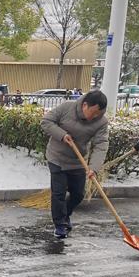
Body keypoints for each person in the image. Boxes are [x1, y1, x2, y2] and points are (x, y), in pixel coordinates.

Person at [41, 90, 110, 239]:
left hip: (78, 161)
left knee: (78, 194)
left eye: (98, 114)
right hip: (57, 157)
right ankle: (60, 224)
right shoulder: (67, 107)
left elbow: (101, 145)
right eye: (92, 112)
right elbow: (46, 121)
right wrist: (62, 135)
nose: (94, 117)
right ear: (85, 105)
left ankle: (65, 214)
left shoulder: (102, 122)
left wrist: (94, 168)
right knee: (58, 193)